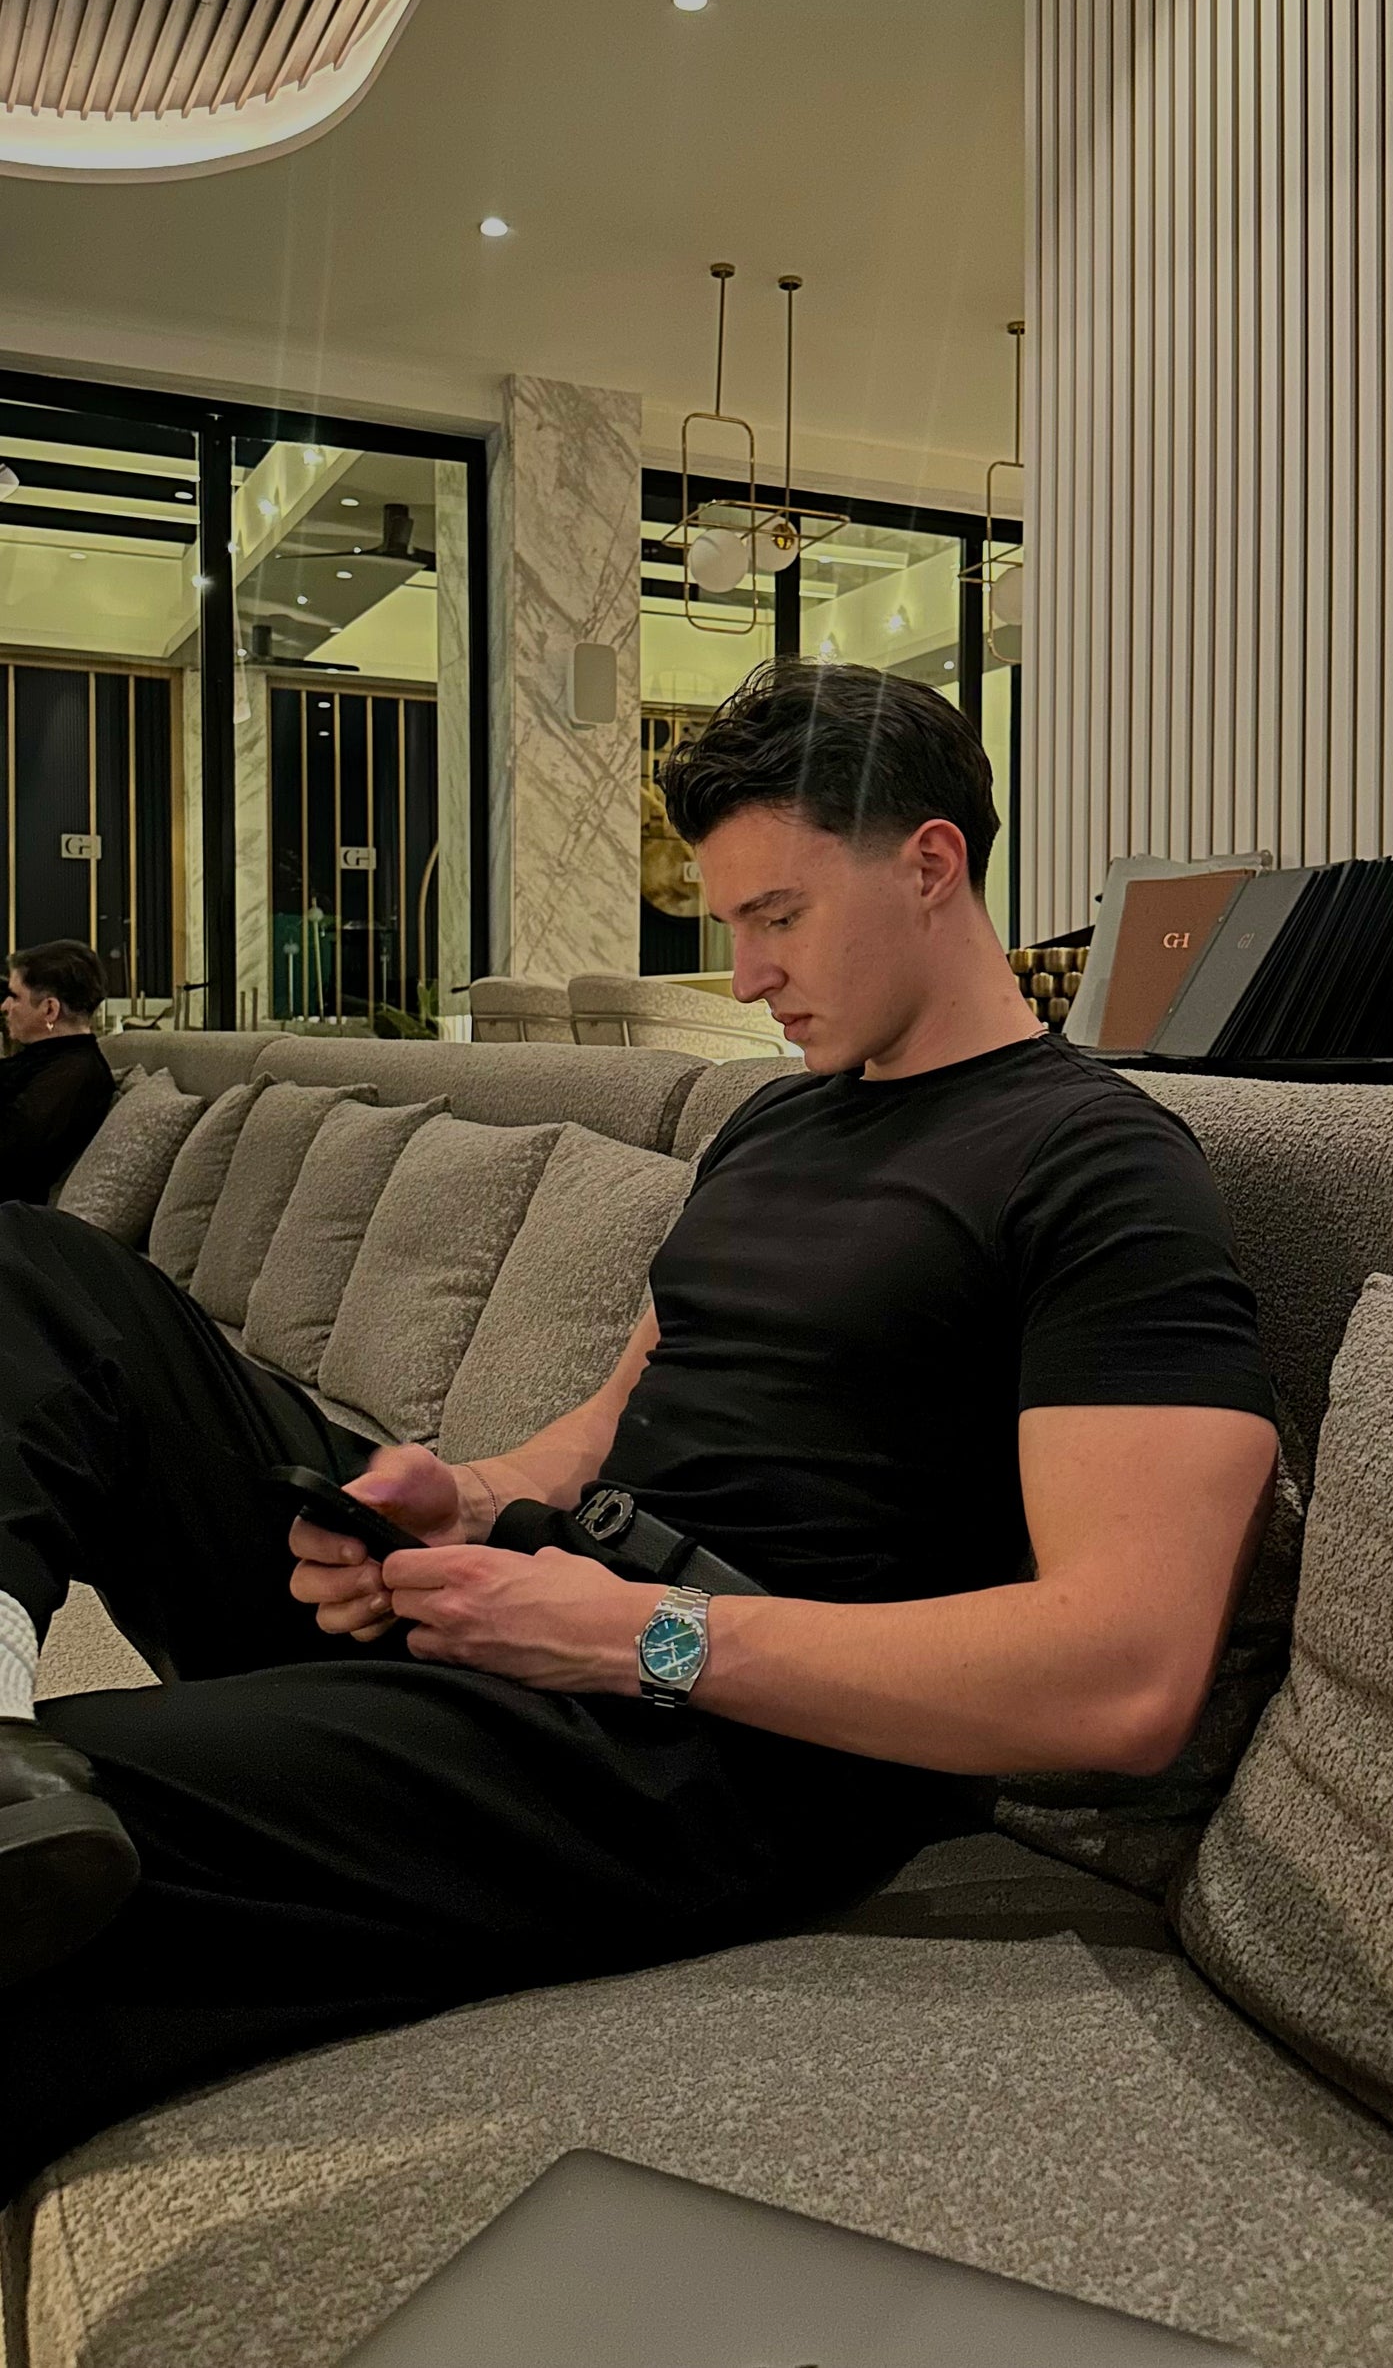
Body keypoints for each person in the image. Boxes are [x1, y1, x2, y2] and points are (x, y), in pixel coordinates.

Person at [0, 662, 1278, 2196]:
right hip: (555, 1616)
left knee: (66, 1829)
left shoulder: (1103, 1167)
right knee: (34, 1271)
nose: (743, 977)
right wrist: (463, 1500)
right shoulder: (775, 1119)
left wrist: (636, 1638)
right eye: (730, 923)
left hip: (726, 1746)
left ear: (931, 863)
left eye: (777, 916)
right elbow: (614, 1417)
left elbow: (1126, 1676)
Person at [0, 939, 114, 1205]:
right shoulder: (43, 1056)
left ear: (50, 1009)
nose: (4, 1006)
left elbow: (9, 1147)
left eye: (14, 997)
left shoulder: (76, 1072)